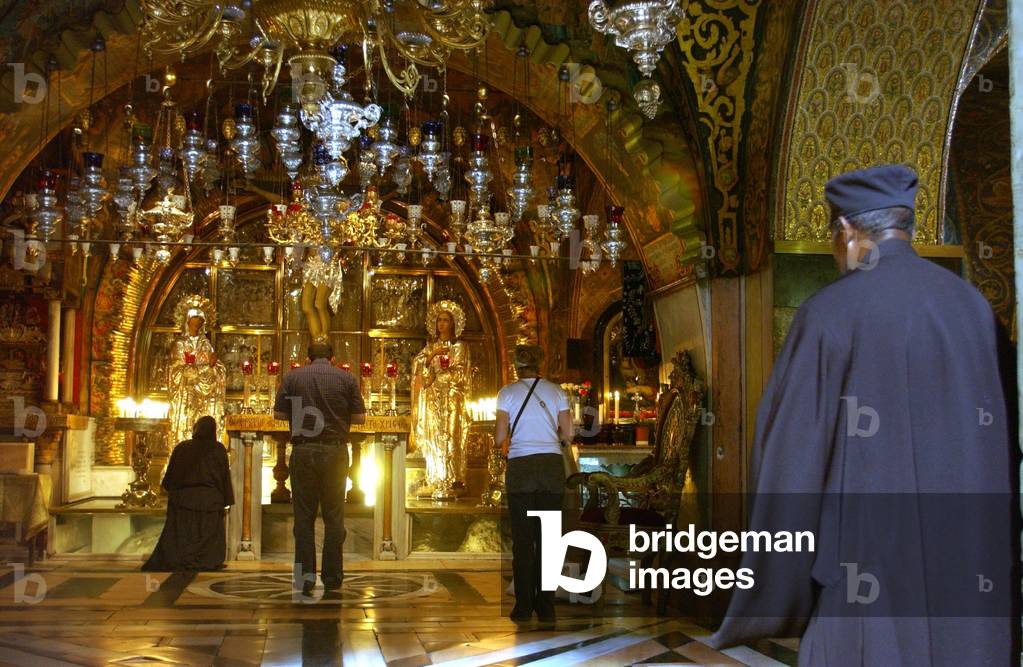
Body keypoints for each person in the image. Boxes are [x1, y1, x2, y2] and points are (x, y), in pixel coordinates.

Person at [710, 165, 1015, 664]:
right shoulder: (973, 308)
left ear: (848, 232)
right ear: (907, 227)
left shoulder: (830, 312)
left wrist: (774, 589)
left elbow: (792, 460)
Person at [274, 342, 366, 597]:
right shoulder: (346, 378)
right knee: (334, 516)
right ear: (333, 357)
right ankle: (333, 577)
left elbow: (278, 414)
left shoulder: (293, 376)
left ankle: (304, 579)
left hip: (304, 450)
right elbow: (360, 418)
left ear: (308, 357)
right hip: (335, 452)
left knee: (303, 518)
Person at [495, 344, 574, 624]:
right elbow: (569, 433)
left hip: (521, 467)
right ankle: (547, 606)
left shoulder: (506, 393)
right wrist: (556, 439)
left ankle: (524, 606)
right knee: (549, 540)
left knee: (523, 540)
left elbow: (499, 436)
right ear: (540, 364)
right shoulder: (557, 391)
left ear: (517, 365)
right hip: (551, 467)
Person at [142, 416, 233, 572]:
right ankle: (207, 560)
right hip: (209, 500)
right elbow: (223, 477)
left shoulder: (182, 448)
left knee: (185, 533)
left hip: (185, 500)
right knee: (207, 532)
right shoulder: (218, 449)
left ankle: (183, 558)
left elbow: (170, 478)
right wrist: (225, 500)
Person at [410, 300, 471, 500]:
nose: (442, 324)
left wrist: (443, 374)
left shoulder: (460, 346)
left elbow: (460, 373)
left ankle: (454, 480)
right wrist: (433, 356)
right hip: (433, 400)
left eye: (446, 320)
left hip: (452, 400)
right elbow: (422, 373)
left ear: (453, 324)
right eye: (439, 320)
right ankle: (435, 479)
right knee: (434, 438)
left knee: (451, 437)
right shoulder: (431, 347)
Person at [167, 295, 226, 447]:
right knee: (187, 426)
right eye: (194, 322)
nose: (197, 326)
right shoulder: (180, 344)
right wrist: (205, 367)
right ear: (187, 322)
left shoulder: (206, 345)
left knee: (203, 424)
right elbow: (179, 370)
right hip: (186, 394)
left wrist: (214, 366)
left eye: (200, 323)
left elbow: (216, 368)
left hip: (205, 396)